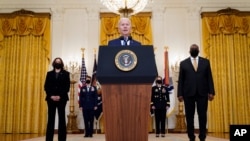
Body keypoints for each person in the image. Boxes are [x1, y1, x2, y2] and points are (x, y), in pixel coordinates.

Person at [177, 44, 215, 141]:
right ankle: (191, 137)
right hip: (188, 93)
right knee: (189, 116)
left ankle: (202, 137)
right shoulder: (183, 63)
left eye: (196, 48)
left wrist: (211, 92)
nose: (194, 49)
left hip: (202, 93)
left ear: (198, 50)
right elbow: (181, 79)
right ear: (189, 51)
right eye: (192, 48)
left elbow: (209, 77)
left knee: (202, 115)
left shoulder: (205, 62)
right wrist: (180, 94)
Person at [44, 57, 70, 141]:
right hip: (50, 99)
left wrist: (60, 96)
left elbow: (67, 87)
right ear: (54, 63)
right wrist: (51, 95)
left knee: (62, 119)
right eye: (56, 61)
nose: (57, 63)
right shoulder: (49, 74)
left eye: (59, 62)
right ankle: (49, 139)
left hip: (62, 99)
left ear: (61, 64)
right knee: (51, 119)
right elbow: (46, 86)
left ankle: (62, 139)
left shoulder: (66, 74)